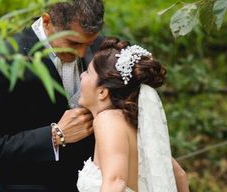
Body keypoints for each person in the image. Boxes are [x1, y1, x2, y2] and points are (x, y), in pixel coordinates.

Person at [0, 0, 105, 192]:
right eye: (73, 43)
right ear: (47, 21)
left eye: (88, 43)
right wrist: (54, 136)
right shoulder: (1, 61)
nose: (82, 53)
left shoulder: (102, 48)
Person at [76, 37, 189, 192]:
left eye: (88, 72)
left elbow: (116, 181)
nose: (82, 75)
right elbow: (180, 175)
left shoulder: (107, 120)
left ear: (102, 92)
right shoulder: (139, 127)